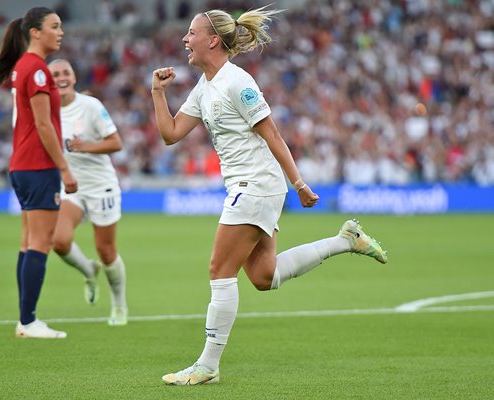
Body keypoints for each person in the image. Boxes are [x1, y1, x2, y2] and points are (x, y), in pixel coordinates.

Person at [151, 6, 388, 385]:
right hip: (248, 186)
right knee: (264, 276)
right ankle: (346, 241)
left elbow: (272, 134)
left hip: (256, 184)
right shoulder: (206, 86)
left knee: (219, 270)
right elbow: (171, 133)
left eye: (191, 33)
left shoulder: (237, 82)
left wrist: (299, 184)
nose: (185, 40)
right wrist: (156, 93)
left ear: (212, 40)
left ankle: (207, 366)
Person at [0, 7, 77, 339]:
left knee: (28, 242)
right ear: (35, 32)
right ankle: (28, 322)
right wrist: (64, 168)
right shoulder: (37, 70)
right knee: (41, 242)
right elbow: (43, 124)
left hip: (22, 165)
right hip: (39, 166)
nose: (61, 32)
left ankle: (26, 319)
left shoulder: (23, 66)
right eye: (55, 27)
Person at [48, 59, 128, 326]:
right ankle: (88, 270)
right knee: (58, 241)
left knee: (106, 251)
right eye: (55, 74)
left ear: (73, 77)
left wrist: (85, 147)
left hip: (100, 185)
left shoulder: (90, 106)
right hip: (71, 186)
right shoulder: (45, 110)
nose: (61, 77)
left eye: (65, 73)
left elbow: (116, 142)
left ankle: (119, 305)